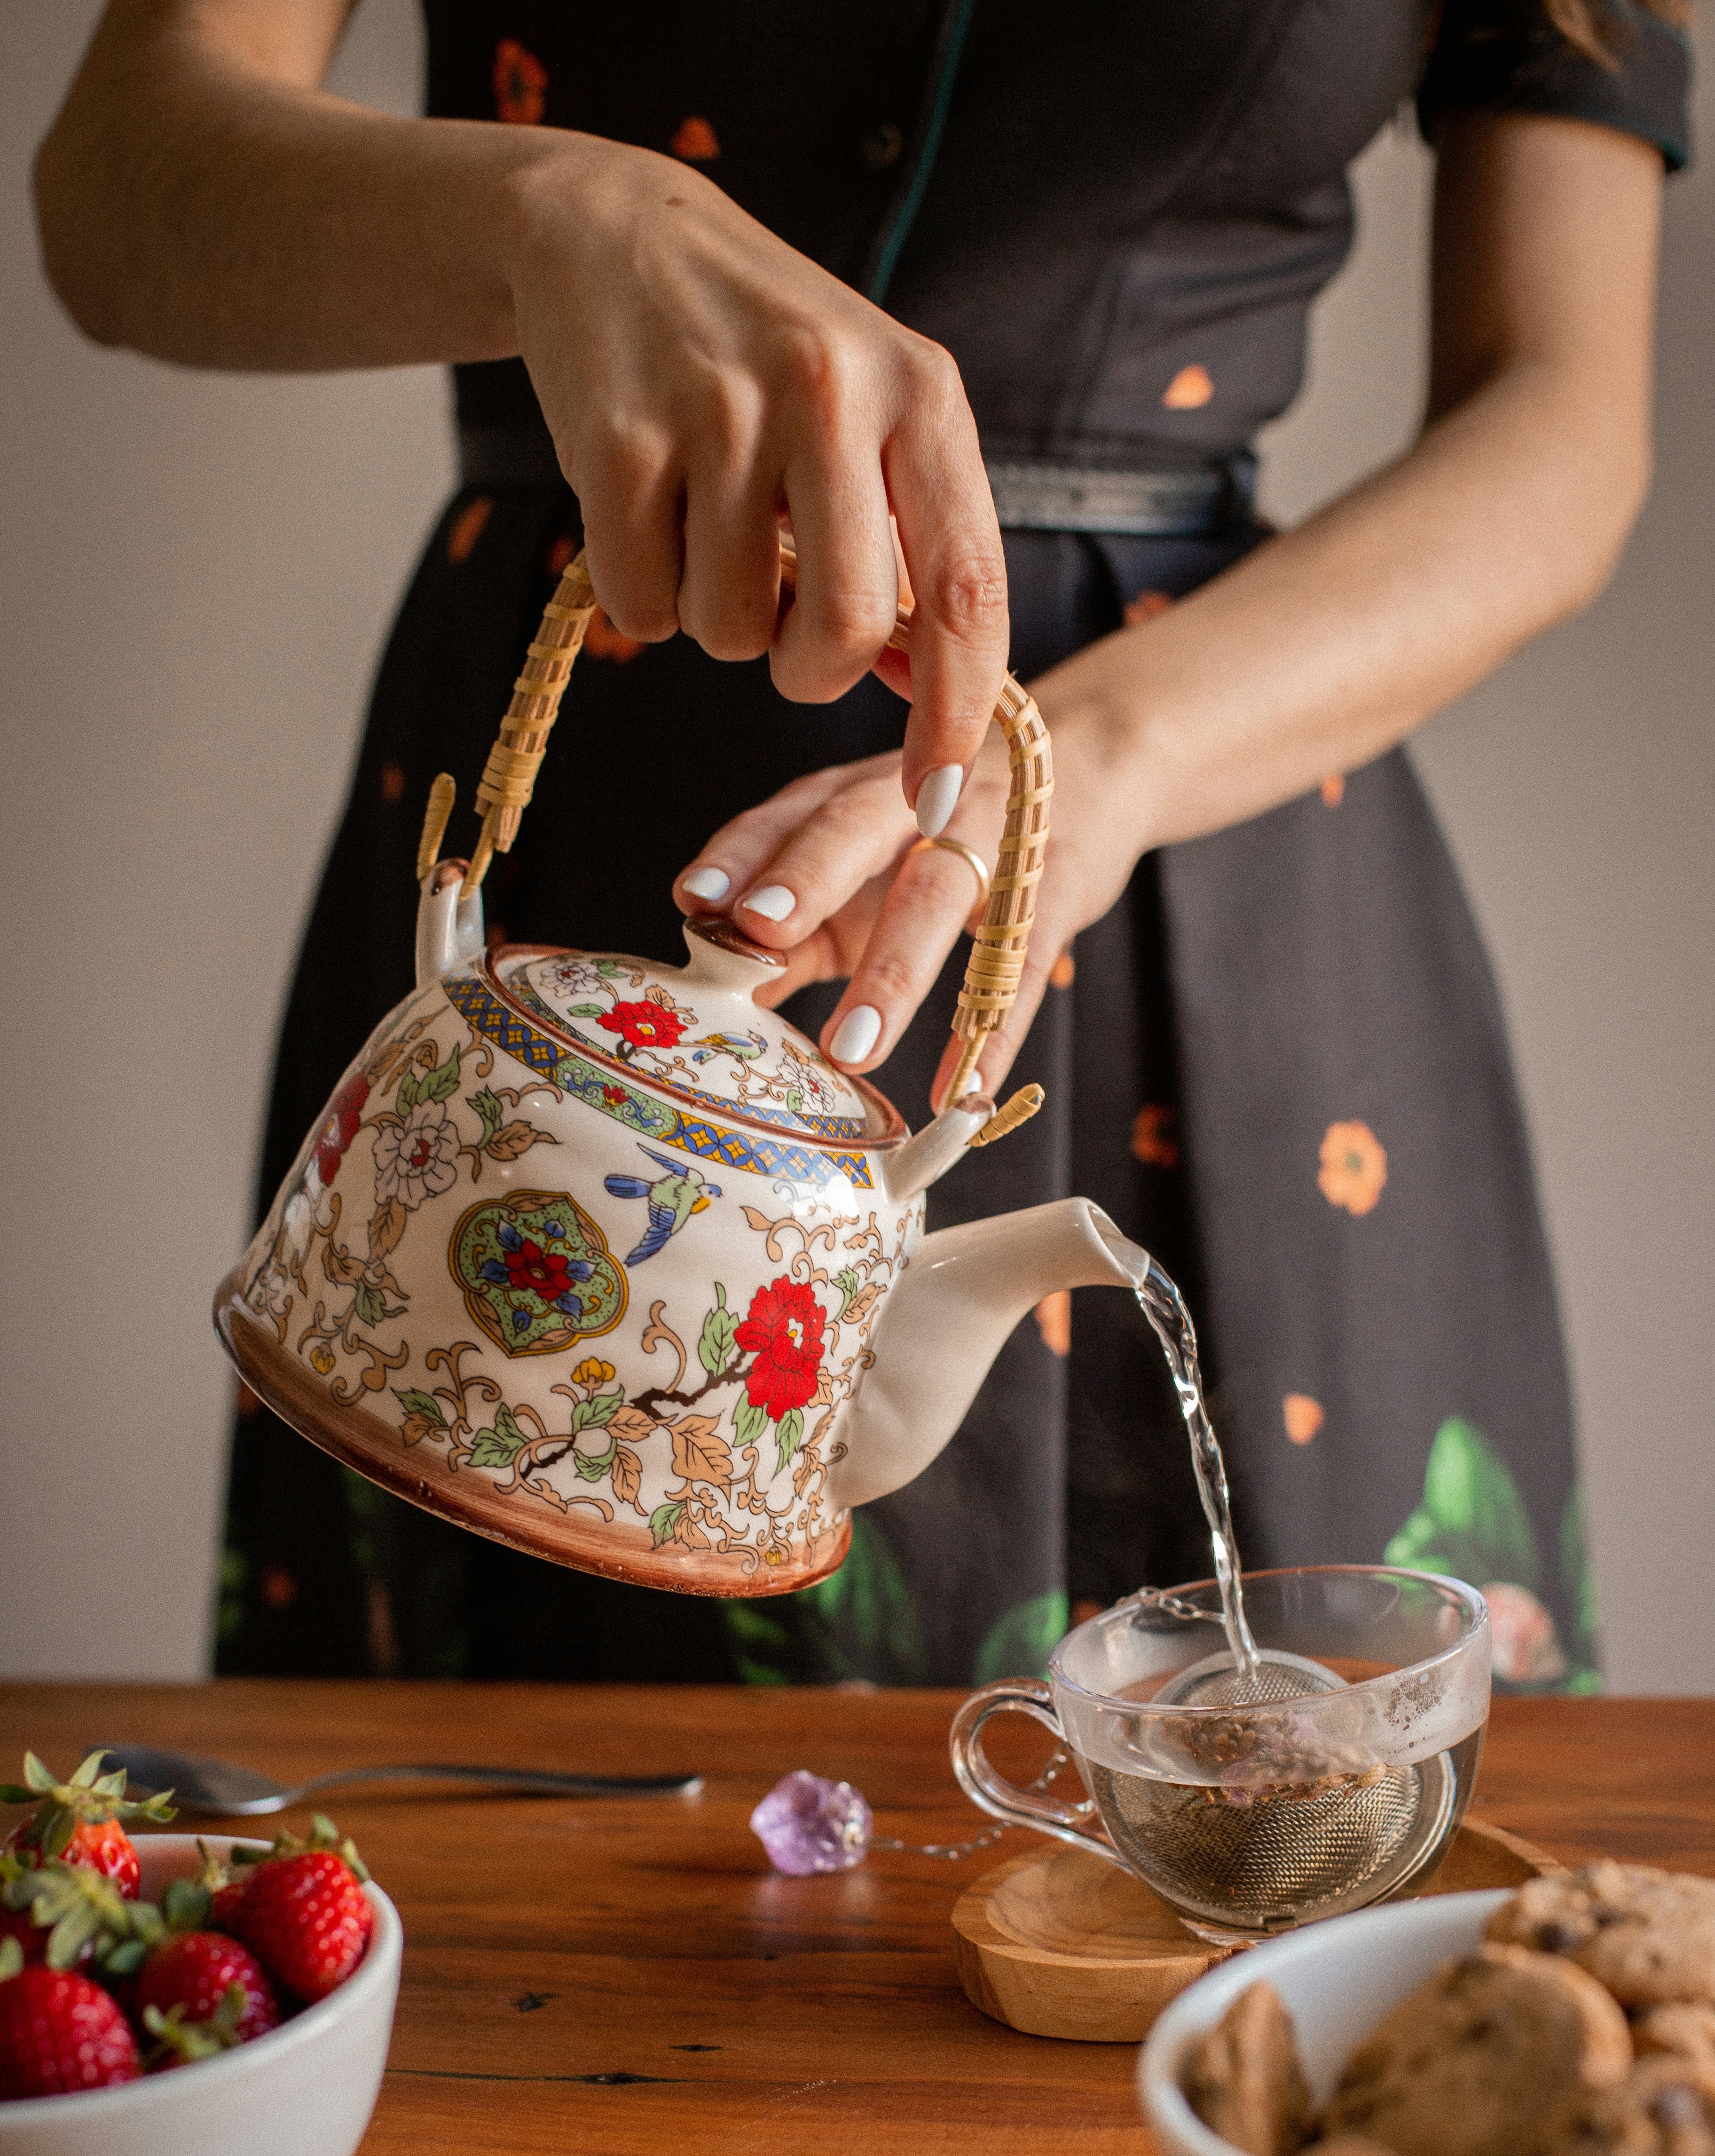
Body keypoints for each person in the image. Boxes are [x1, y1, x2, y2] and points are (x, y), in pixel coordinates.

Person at [37, 0, 1690, 1691]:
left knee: (1292, 1871)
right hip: (587, 784)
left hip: (1213, 825)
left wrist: (1104, 760)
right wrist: (569, 216)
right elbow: (116, 185)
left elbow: (1564, 419)